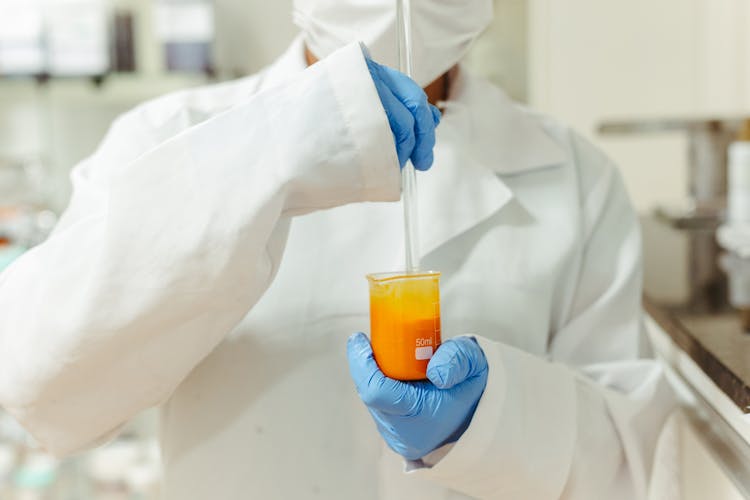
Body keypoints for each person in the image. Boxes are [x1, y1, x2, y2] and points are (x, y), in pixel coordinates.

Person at [0, 1, 676, 499]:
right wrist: (269, 154)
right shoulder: (169, 136)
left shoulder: (573, 175)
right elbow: (42, 386)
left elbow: (626, 468)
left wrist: (488, 420)